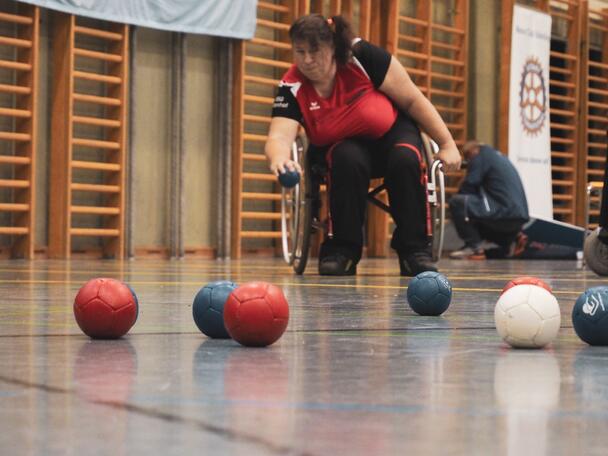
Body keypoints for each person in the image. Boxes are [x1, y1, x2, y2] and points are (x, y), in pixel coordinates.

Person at [264, 14, 461, 276]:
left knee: (405, 159)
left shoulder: (362, 56)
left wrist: (447, 143)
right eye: (300, 52)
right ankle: (342, 250)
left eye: (315, 51)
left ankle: (414, 251)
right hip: (344, 148)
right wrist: (279, 159)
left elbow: (413, 100)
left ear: (332, 48)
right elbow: (278, 137)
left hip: (392, 135)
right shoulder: (292, 85)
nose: (307, 60)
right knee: (346, 158)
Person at [449, 140, 529, 260]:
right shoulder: (498, 156)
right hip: (519, 217)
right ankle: (511, 240)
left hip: (503, 212)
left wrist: (457, 209)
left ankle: (474, 248)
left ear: (472, 152)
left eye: (468, 158)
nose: (469, 163)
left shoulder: (480, 156)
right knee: (476, 209)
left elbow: (469, 185)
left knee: (458, 203)